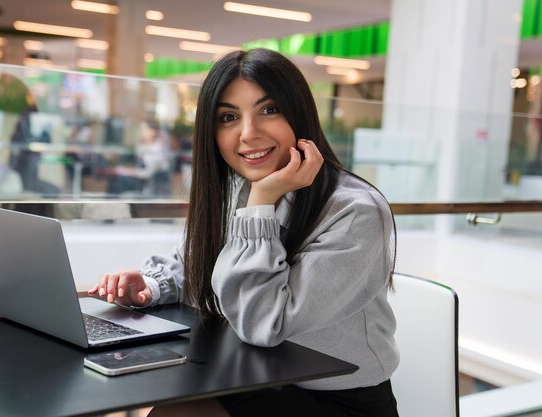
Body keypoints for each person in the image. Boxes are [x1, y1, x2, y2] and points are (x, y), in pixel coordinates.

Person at [89, 48, 399, 417]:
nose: (249, 134)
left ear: (298, 113)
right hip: (251, 376)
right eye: (229, 117)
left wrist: (261, 203)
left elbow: (264, 322)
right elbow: (200, 264)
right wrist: (152, 285)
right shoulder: (236, 187)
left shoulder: (354, 211)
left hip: (334, 400)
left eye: (269, 110)